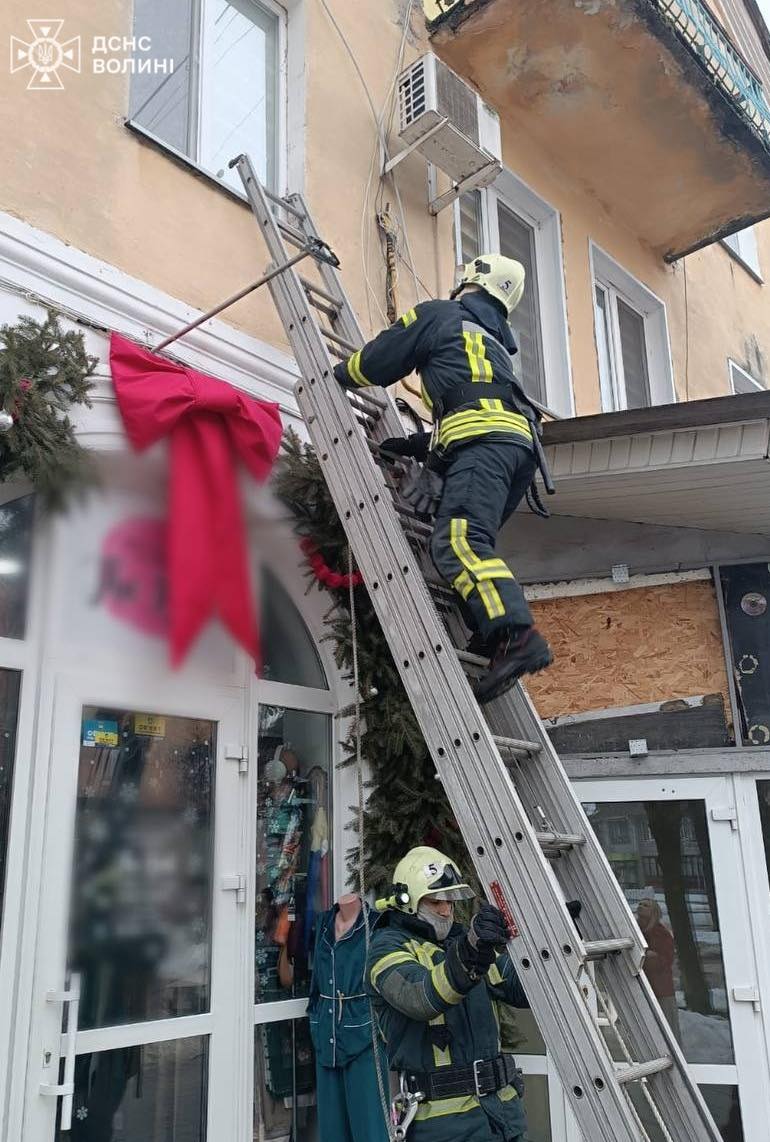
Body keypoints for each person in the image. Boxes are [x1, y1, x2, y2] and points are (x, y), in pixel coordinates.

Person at [333, 255, 553, 704]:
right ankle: (491, 637)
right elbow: (472, 402)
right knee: (471, 542)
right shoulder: (491, 342)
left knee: (459, 541)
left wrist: (337, 373)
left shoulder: (440, 315)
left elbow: (379, 361)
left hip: (484, 445)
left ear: (469, 280)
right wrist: (415, 446)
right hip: (515, 452)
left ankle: (516, 636)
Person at [367, 845, 529, 1141]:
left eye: (450, 901)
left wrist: (552, 943)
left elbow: (521, 989)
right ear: (407, 902)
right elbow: (420, 997)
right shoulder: (386, 948)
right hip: (444, 1128)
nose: (446, 911)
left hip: (503, 1117)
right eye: (435, 902)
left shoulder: (463, 941)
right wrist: (470, 953)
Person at [637, 897, 682, 1043]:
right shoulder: (636, 931)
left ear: (654, 912)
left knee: (667, 1029)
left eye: (646, 905)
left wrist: (648, 958)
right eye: (640, 904)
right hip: (642, 987)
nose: (641, 907)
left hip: (661, 990)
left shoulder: (661, 933)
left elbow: (665, 960)